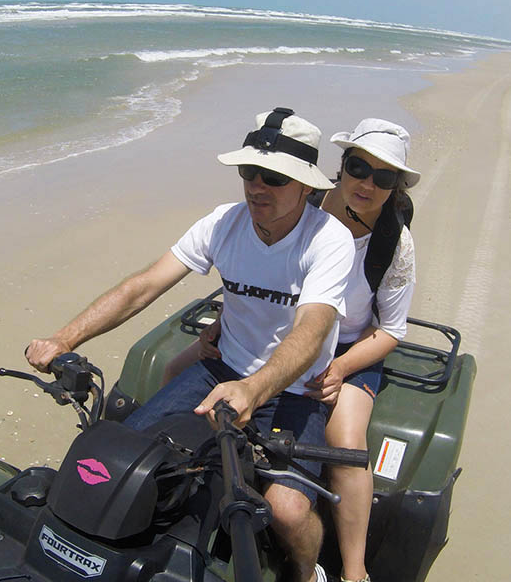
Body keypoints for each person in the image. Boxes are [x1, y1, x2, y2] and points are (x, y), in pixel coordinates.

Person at [25, 107, 355, 582]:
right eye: (250, 172)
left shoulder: (327, 239)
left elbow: (313, 329)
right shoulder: (224, 223)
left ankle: (306, 573)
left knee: (285, 510)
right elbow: (146, 284)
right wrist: (64, 337)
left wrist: (255, 389)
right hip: (221, 370)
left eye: (274, 177)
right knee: (121, 458)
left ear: (306, 186)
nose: (256, 186)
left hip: (293, 390)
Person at [163, 118, 420, 582]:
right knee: (174, 371)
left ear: (394, 187)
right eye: (359, 167)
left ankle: (354, 570)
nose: (366, 183)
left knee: (346, 439)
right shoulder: (303, 203)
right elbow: (265, 284)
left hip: (351, 345)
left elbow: (392, 331)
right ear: (340, 167)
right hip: (291, 330)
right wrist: (223, 322)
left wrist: (340, 368)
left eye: (384, 178)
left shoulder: (394, 243)